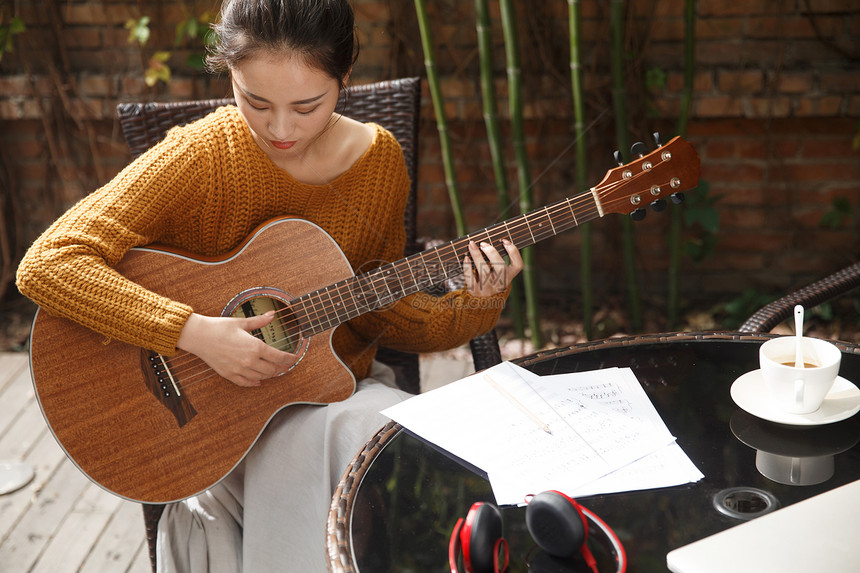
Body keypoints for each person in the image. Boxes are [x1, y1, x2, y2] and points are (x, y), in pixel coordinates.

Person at [16, 0, 522, 570]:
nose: (281, 129)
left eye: (308, 106)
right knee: (378, 440)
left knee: (377, 432)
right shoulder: (205, 154)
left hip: (326, 389)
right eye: (254, 101)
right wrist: (193, 332)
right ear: (228, 74)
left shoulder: (379, 163)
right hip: (208, 420)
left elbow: (380, 310)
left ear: (344, 77)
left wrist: (476, 304)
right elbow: (49, 262)